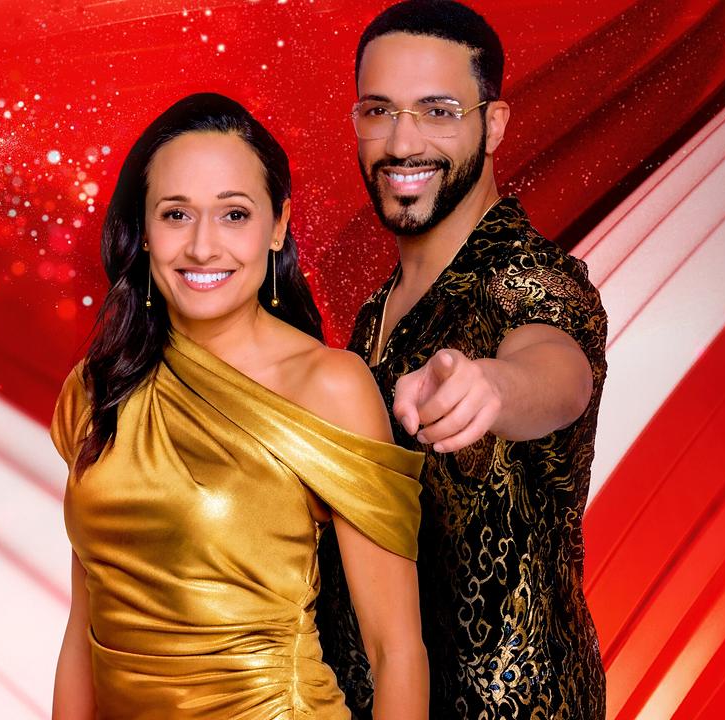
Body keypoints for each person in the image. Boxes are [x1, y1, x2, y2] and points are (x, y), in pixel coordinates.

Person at [49, 93, 429, 720]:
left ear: (277, 226)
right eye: (176, 214)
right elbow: (81, 632)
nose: (202, 247)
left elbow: (396, 651)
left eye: (233, 214)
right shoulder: (99, 385)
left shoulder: (328, 386)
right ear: (142, 230)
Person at [316, 2, 608, 718]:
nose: (401, 141)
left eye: (438, 111)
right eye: (378, 111)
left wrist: (492, 388)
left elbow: (557, 369)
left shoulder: (528, 278)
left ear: (494, 123)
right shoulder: (375, 311)